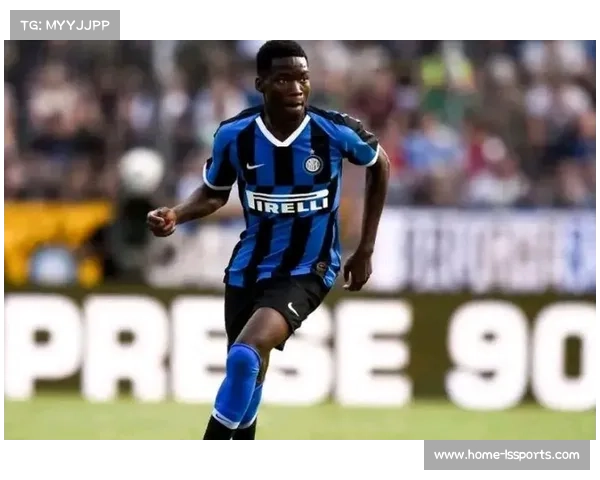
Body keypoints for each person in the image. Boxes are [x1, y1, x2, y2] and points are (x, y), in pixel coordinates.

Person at [147, 40, 390, 440]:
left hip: (308, 268)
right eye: (283, 79)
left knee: (245, 357)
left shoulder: (334, 130)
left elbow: (379, 164)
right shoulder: (234, 135)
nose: (296, 88)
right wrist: (177, 213)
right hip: (248, 267)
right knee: (248, 371)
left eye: (302, 78)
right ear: (260, 84)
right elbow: (213, 193)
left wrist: (365, 248)